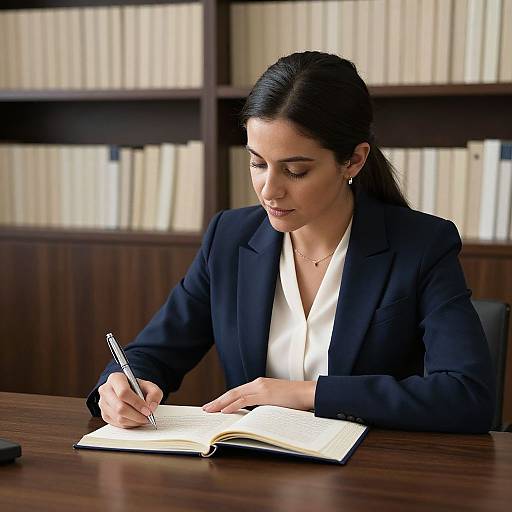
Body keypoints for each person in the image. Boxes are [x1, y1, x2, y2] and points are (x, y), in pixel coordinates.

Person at [87, 51, 495, 433]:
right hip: (253, 471)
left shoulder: (421, 245)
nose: (269, 190)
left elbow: (467, 395)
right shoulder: (229, 238)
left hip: (371, 478)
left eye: (295, 171)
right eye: (257, 163)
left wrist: (306, 394)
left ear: (353, 160)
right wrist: (120, 386)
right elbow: (154, 352)